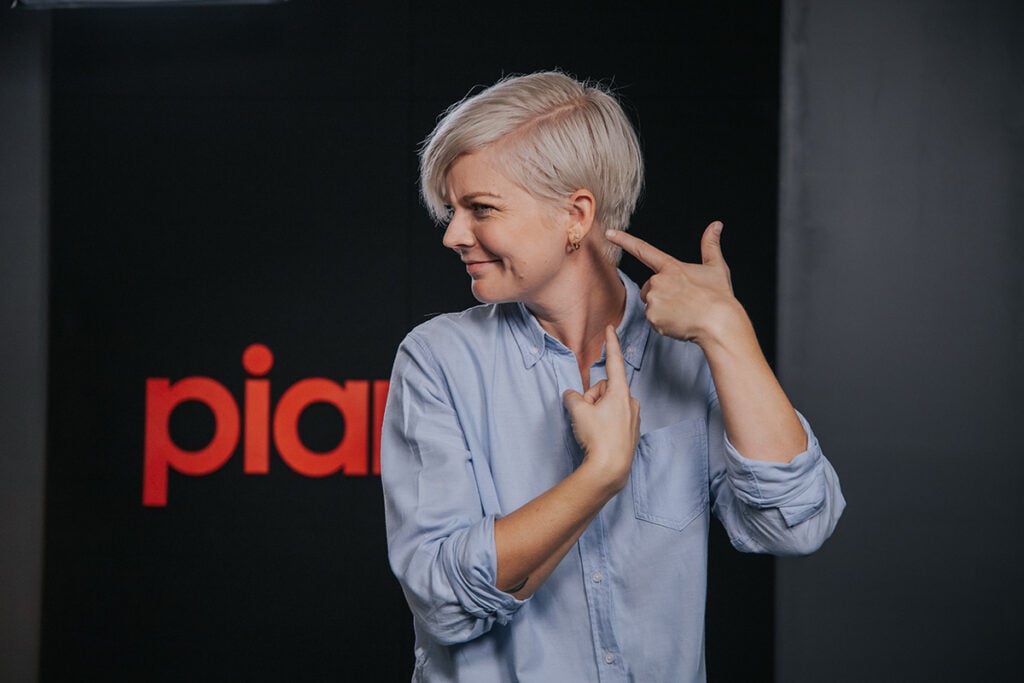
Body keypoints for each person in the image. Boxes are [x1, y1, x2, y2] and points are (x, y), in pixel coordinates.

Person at [381, 69, 845, 683]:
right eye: (452, 209)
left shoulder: (691, 352)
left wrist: (728, 334)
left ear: (576, 215)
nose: (453, 234)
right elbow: (442, 599)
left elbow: (798, 524)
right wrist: (599, 477)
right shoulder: (438, 360)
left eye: (480, 209)